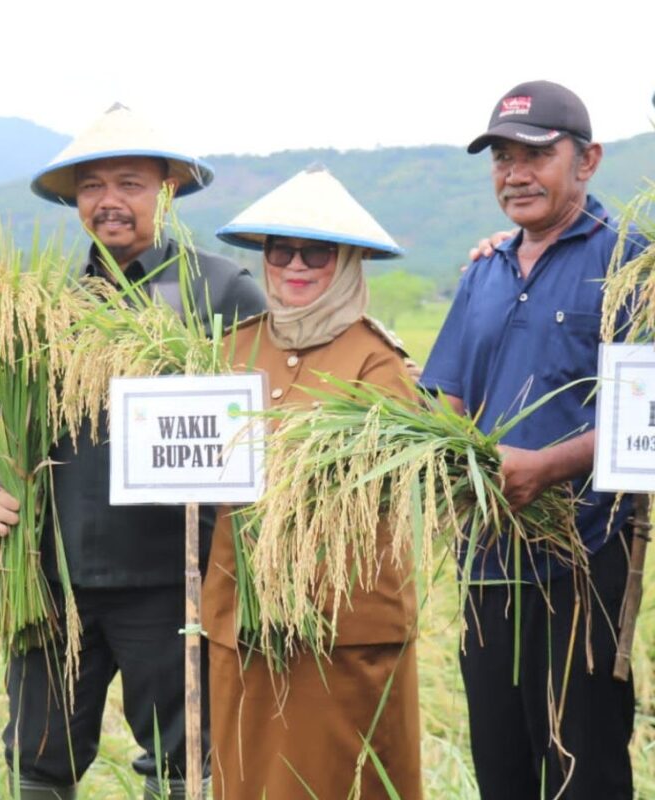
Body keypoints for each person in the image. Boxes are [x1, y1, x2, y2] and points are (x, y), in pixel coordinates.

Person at [0, 103, 265, 800]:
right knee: (36, 759)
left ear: (167, 191)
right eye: (92, 187)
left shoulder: (221, 289)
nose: (109, 203)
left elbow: (269, 420)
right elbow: (7, 426)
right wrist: (1, 493)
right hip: (54, 576)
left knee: (181, 758)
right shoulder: (47, 301)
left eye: (131, 184)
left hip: (173, 576)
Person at [421, 80, 645, 799]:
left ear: (587, 160)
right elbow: (449, 397)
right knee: (502, 761)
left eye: (536, 155)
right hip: (486, 557)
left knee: (582, 765)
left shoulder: (631, 265)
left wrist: (549, 466)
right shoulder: (482, 271)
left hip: (585, 556)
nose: (515, 173)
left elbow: (648, 413)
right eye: (501, 158)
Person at [202, 164, 422, 800]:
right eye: (281, 249)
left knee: (326, 780)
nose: (294, 265)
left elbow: (384, 491)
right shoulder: (230, 350)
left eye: (316, 252)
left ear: (348, 260)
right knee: (246, 779)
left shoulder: (380, 361)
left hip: (339, 628)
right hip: (243, 615)